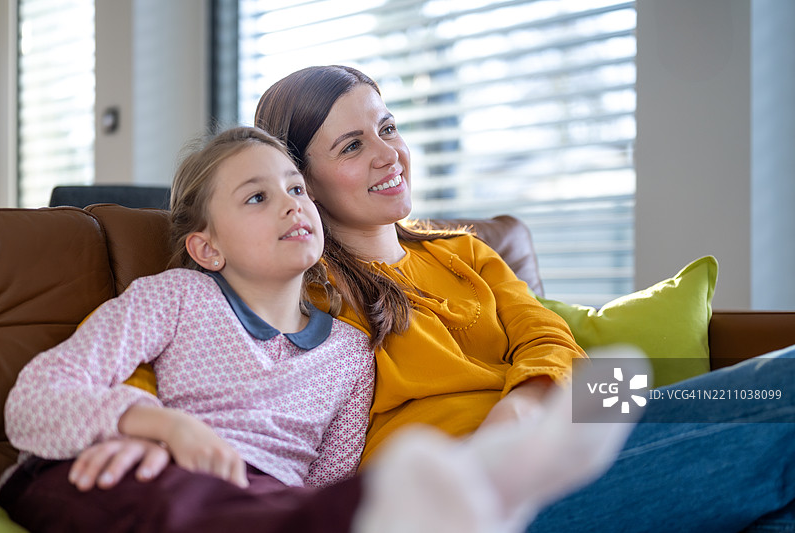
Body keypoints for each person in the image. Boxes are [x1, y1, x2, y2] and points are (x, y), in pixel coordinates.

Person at [0, 126, 638, 533]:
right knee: (204, 505)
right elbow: (36, 399)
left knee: (305, 509)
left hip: (271, 502)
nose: (290, 204)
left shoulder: (352, 350)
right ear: (207, 248)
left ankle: (473, 495)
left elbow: (327, 478)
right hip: (144, 476)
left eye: (296, 189)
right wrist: (156, 426)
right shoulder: (174, 298)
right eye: (257, 197)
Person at [252, 65, 795, 532]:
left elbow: (548, 337)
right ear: (302, 181)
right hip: (472, 492)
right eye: (352, 146)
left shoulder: (465, 252)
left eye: (388, 128)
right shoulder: (303, 289)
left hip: (556, 437)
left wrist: (519, 406)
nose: (388, 154)